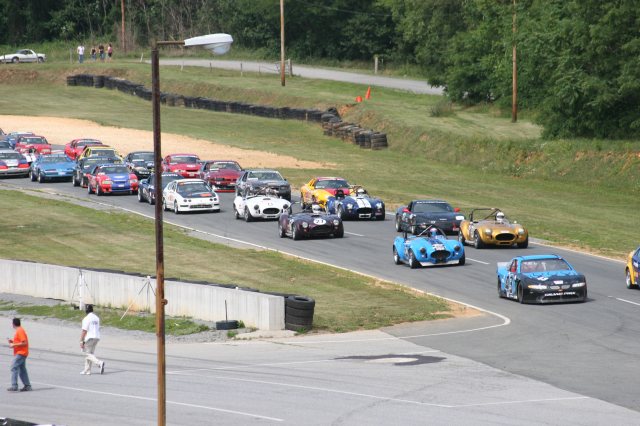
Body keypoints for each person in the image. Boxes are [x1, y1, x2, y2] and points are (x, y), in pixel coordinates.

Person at [7, 318, 31, 392]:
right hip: (22, 352)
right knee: (22, 370)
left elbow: (24, 342)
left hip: (21, 353)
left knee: (14, 367)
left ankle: (14, 386)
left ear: (13, 324)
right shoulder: (20, 330)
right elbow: (20, 342)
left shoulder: (20, 331)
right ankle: (27, 386)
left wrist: (13, 344)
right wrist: (12, 342)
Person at [80, 304, 105, 375]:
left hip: (90, 338)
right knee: (90, 354)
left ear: (86, 310)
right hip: (97, 337)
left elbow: (84, 331)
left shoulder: (86, 319)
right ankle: (87, 370)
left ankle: (99, 363)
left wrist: (81, 341)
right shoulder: (97, 318)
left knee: (87, 354)